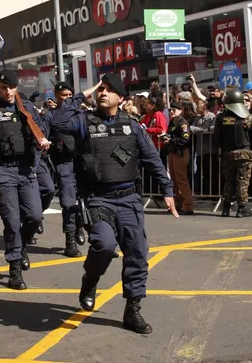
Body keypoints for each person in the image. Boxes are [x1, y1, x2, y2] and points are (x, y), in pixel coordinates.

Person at [52, 73, 178, 334]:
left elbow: (152, 159)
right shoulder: (84, 121)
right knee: (104, 245)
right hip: (98, 198)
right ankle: (91, 279)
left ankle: (133, 309)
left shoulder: (132, 126)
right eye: (102, 89)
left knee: (138, 253)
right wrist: (85, 93)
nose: (103, 93)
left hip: (129, 199)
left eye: (109, 90)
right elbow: (58, 121)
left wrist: (167, 190)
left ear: (121, 98)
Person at [0, 70, 50, 290]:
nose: (8, 91)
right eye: (4, 88)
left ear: (17, 87)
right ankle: (15, 267)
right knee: (12, 222)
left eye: (11, 87)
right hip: (3, 171)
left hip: (25, 170)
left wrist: (40, 149)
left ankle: (20, 247)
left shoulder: (26, 108)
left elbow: (39, 134)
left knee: (34, 216)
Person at [44, 81, 84, 257]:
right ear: (56, 96)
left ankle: (79, 225)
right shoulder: (51, 115)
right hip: (63, 163)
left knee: (84, 201)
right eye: (63, 95)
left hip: (81, 163)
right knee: (68, 203)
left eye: (70, 95)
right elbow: (42, 136)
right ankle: (70, 241)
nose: (67, 98)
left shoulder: (80, 114)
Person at [214, 89, 252, 216]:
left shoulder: (221, 118)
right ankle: (241, 208)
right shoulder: (248, 117)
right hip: (244, 152)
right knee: (242, 181)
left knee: (229, 180)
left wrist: (223, 148)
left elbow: (217, 136)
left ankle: (226, 208)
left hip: (228, 153)